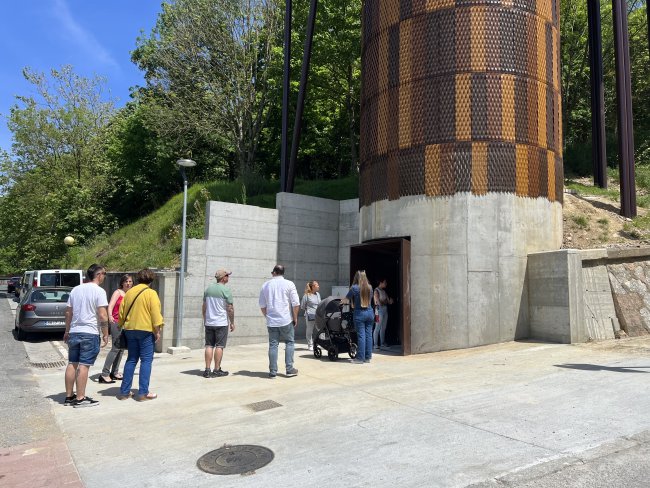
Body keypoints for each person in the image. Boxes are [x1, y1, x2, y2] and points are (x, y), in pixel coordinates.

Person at [63, 264, 109, 407]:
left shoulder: (75, 290)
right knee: (84, 365)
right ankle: (81, 398)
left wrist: (67, 331)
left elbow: (68, 313)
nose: (104, 277)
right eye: (104, 274)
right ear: (99, 274)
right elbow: (102, 315)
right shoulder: (99, 291)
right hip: (89, 333)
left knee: (72, 363)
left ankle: (69, 396)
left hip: (75, 332)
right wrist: (106, 334)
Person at [117, 269, 164, 401]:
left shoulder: (130, 292)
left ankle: (124, 392)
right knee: (146, 360)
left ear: (138, 279)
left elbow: (122, 311)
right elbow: (155, 313)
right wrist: (158, 330)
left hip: (129, 329)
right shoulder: (151, 293)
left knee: (131, 359)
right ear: (151, 280)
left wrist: (121, 324)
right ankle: (143, 393)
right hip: (145, 330)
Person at [259, 265, 300, 378]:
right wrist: (295, 317)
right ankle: (289, 369)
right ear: (282, 272)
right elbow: (296, 303)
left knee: (273, 345)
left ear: (274, 273)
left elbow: (262, 305)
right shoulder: (289, 284)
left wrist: (268, 317)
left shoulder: (265, 285)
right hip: (286, 320)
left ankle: (272, 372)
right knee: (290, 343)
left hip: (272, 321)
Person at [99, 274, 133, 383]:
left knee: (122, 348)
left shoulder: (131, 294)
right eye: (126, 281)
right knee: (115, 348)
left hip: (126, 323)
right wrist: (110, 316)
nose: (128, 283)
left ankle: (115, 372)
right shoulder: (118, 292)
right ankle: (104, 373)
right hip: (116, 322)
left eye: (130, 281)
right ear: (122, 283)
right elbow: (110, 305)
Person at [202, 268, 235, 378]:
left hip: (209, 322)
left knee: (209, 345)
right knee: (219, 346)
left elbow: (204, 307)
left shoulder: (208, 289)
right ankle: (216, 369)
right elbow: (230, 308)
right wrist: (232, 322)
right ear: (223, 278)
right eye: (227, 276)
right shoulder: (226, 290)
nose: (228, 278)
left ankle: (207, 370)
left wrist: (205, 319)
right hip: (221, 323)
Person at [346, 270, 375, 364]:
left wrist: (341, 301)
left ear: (357, 278)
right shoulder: (370, 287)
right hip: (370, 313)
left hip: (359, 313)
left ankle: (360, 358)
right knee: (368, 335)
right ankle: (367, 357)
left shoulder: (354, 288)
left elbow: (347, 299)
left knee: (361, 336)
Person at [373, 278, 394, 350]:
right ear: (381, 282)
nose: (386, 284)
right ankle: (375, 344)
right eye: (385, 282)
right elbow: (378, 302)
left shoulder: (384, 291)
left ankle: (382, 343)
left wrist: (390, 301)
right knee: (377, 327)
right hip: (379, 310)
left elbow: (388, 301)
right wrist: (385, 301)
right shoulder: (376, 290)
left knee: (383, 327)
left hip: (385, 310)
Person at [300, 280, 321, 350]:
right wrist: (308, 310)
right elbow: (302, 306)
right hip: (310, 315)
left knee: (320, 329)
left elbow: (320, 304)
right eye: (317, 285)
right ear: (313, 287)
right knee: (310, 330)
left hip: (318, 315)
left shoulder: (318, 294)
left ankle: (321, 343)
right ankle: (310, 345)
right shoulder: (306, 295)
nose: (318, 286)